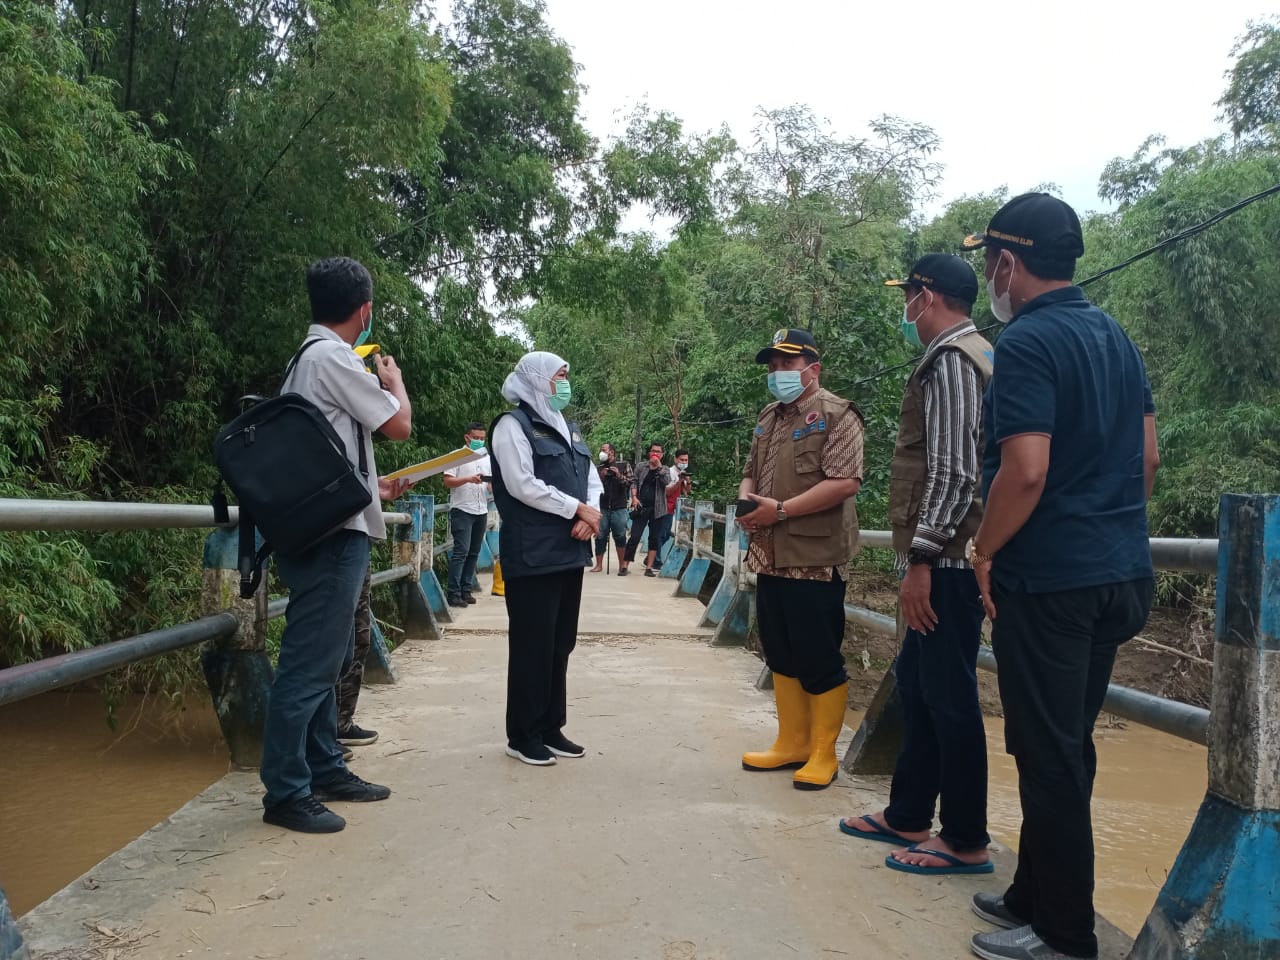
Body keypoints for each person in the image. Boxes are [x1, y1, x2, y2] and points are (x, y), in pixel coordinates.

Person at [962, 194, 1159, 960]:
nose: (990, 279)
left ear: (1007, 264)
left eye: (989, 264)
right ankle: (1031, 893)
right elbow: (1145, 460)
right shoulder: (1116, 337)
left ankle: (1065, 934)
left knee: (1047, 754)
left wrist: (984, 549)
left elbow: (1026, 470)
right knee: (1066, 740)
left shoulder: (1030, 344)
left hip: (1050, 583)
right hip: (1120, 575)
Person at [839, 254, 995, 875]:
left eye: (908, 296)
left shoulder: (955, 362)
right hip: (945, 556)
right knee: (922, 685)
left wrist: (923, 558)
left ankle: (965, 838)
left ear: (926, 296)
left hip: (950, 562)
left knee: (951, 695)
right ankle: (908, 812)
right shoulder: (970, 356)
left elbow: (955, 471)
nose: (905, 309)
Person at [261, 256, 413, 833]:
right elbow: (397, 424)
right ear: (364, 309)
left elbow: (326, 450)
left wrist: (374, 484)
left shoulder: (305, 359)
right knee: (309, 665)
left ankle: (324, 767)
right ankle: (286, 792)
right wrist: (394, 381)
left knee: (328, 660)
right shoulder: (332, 357)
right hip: (332, 535)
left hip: (322, 524)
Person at [738, 329, 863, 790]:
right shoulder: (768, 417)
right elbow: (751, 472)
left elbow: (845, 482)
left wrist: (783, 510)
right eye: (772, 367)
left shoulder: (837, 414)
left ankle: (822, 752)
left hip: (814, 557)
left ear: (813, 368)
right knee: (780, 651)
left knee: (817, 655)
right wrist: (748, 504)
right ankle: (791, 742)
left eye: (787, 365)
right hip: (769, 555)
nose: (778, 374)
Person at [489, 351, 602, 766]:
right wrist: (576, 508)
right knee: (532, 644)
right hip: (532, 553)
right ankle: (522, 734)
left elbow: (590, 479)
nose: (565, 384)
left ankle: (551, 726)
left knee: (560, 642)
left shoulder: (567, 429)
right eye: (559, 376)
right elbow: (521, 484)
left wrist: (590, 515)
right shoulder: (511, 426)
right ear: (536, 379)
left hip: (569, 551)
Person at [443, 421, 492, 607]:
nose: (479, 441)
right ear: (467, 437)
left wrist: (492, 485)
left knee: (474, 552)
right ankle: (453, 593)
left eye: (482, 438)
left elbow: (489, 484)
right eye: (476, 438)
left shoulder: (486, 457)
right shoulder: (456, 456)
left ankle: (466, 589)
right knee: (461, 551)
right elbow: (448, 481)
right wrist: (468, 480)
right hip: (462, 509)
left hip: (482, 509)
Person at [621, 443, 678, 577]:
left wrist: (658, 467)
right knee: (634, 536)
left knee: (654, 538)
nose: (655, 453)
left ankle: (649, 568)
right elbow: (634, 481)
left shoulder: (664, 469)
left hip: (658, 509)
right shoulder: (641, 466)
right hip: (641, 506)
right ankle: (624, 566)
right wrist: (634, 497)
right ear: (649, 452)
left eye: (658, 451)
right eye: (653, 451)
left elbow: (666, 482)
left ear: (662, 455)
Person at [590, 442, 631, 573]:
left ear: (611, 452)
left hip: (619, 507)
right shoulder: (598, 468)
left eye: (604, 450)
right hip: (602, 506)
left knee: (620, 536)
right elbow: (592, 487)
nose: (601, 452)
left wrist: (619, 475)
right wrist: (601, 477)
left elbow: (630, 482)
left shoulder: (624, 465)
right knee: (600, 535)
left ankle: (622, 565)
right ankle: (598, 565)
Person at [652, 447, 691, 574]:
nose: (684, 462)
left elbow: (687, 492)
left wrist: (687, 481)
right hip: (666, 507)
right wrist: (679, 481)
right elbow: (667, 491)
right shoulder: (669, 472)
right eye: (682, 459)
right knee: (662, 535)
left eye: (686, 460)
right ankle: (655, 561)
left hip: (675, 509)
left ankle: (651, 557)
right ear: (675, 459)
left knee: (667, 535)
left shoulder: (683, 472)